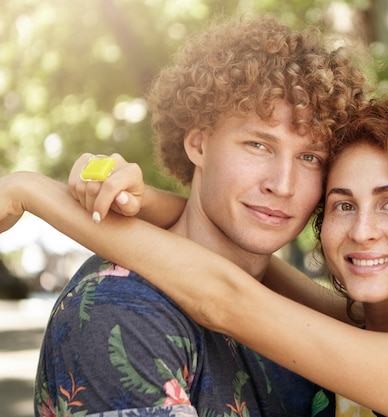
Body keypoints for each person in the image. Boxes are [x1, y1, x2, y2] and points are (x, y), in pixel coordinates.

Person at [1, 92, 388, 417]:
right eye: (344, 205)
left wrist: (32, 191)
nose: (362, 232)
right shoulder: (355, 329)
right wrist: (128, 196)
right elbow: (249, 261)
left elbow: (227, 296)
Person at [23, 15, 368, 417]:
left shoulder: (301, 314)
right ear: (198, 144)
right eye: (258, 145)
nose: (283, 184)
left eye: (310, 157)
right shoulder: (118, 309)